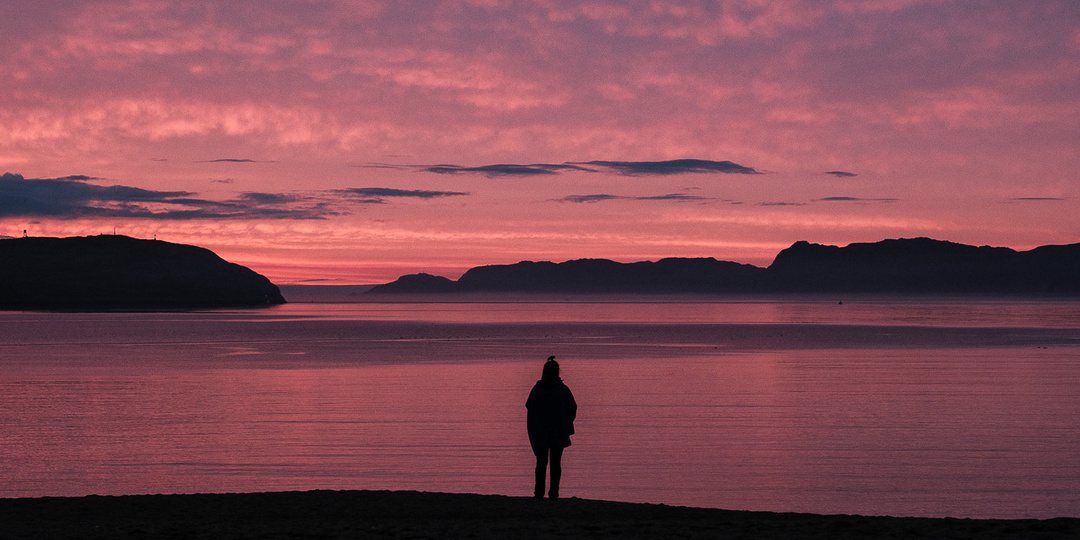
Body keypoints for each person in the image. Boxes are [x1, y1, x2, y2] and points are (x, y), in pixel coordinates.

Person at [526, 356, 577, 500]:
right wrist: (566, 423)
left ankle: (539, 493)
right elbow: (572, 408)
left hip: (541, 431)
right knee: (555, 463)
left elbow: (530, 409)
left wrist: (533, 428)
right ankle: (553, 493)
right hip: (557, 432)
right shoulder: (562, 390)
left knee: (541, 463)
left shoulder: (537, 390)